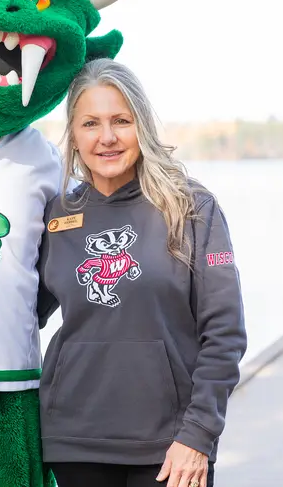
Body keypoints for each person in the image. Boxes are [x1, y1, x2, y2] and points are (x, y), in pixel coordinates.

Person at [36, 58, 248, 487]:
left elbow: (224, 334)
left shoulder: (190, 208)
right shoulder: (57, 215)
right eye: (90, 124)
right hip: (74, 441)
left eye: (121, 121)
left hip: (170, 446)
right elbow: (17, 311)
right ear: (74, 135)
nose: (107, 137)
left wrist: (199, 434)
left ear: (142, 126)